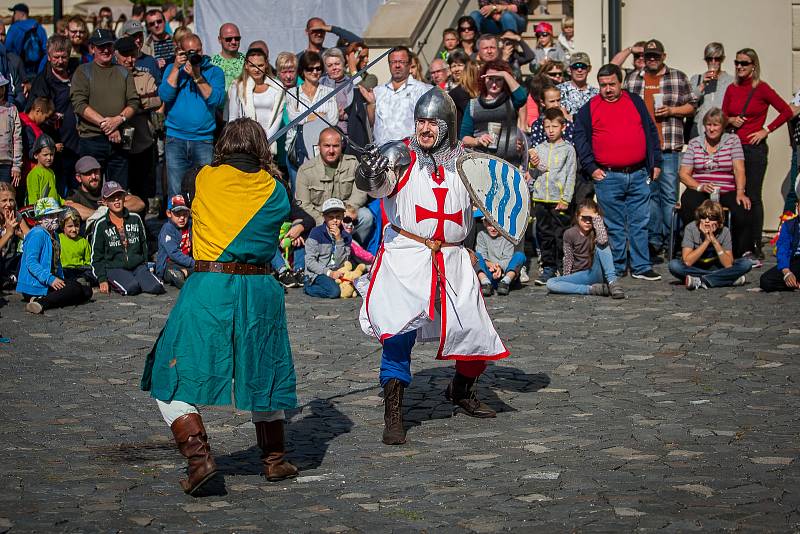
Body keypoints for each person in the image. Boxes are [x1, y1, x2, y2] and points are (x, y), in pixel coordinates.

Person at [141, 118, 299, 494]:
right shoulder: (277, 190)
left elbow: (192, 182)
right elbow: (275, 203)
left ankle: (200, 461)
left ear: (223, 145)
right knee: (265, 372)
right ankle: (274, 460)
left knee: (170, 373)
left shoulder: (201, 178)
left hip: (210, 286)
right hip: (260, 289)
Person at [355, 87, 509, 445]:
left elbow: (498, 197)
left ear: (447, 126)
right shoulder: (400, 155)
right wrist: (370, 170)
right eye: (420, 121)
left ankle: (460, 390)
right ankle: (394, 413)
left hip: (453, 258)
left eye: (432, 123)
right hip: (407, 256)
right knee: (398, 332)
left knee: (475, 334)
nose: (424, 129)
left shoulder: (467, 163)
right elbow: (375, 187)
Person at [573, 63, 662, 280]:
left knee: (640, 222)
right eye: (603, 85)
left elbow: (650, 131)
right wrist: (591, 168)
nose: (608, 89)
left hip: (639, 173)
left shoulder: (635, 101)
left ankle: (641, 267)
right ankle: (619, 267)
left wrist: (655, 162)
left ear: (620, 82)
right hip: (608, 176)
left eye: (612, 84)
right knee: (613, 226)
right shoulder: (590, 107)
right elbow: (579, 137)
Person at [624, 39, 696, 261]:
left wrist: (672, 110)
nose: (652, 59)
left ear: (664, 56)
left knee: (669, 196)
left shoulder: (677, 76)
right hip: (643, 149)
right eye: (648, 56)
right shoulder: (633, 78)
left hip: (668, 146)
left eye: (655, 56)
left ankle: (672, 240)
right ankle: (655, 241)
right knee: (649, 196)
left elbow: (692, 106)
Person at [722, 48, 792, 260]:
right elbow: (723, 114)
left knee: (753, 195)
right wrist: (731, 120)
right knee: (734, 194)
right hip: (734, 147)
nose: (740, 67)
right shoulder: (731, 89)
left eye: (744, 63)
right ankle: (737, 241)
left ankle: (754, 242)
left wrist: (766, 130)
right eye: (737, 63)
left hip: (754, 149)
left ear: (754, 66)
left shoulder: (761, 88)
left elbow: (787, 111)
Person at [70, 28, 140, 189]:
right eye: (101, 46)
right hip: (92, 139)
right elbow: (79, 104)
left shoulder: (123, 72)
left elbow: (133, 102)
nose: (106, 50)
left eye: (109, 45)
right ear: (92, 48)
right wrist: (107, 126)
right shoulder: (83, 71)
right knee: (91, 186)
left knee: (118, 188)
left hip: (120, 138)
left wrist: (118, 120)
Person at [678, 107, 751, 258]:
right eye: (708, 125)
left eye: (715, 125)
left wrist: (740, 191)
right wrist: (700, 186)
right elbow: (684, 174)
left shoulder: (732, 141)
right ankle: (697, 246)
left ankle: (736, 251)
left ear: (723, 126)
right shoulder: (694, 143)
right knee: (689, 202)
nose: (711, 129)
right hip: (701, 188)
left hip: (726, 189)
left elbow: (739, 169)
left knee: (741, 208)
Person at [159, 33, 225, 198]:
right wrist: (175, 68)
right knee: (176, 191)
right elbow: (165, 96)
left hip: (203, 140)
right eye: (189, 52)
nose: (194, 55)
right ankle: (177, 223)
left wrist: (197, 76)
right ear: (180, 52)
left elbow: (216, 100)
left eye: (197, 51)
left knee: (203, 190)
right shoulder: (172, 69)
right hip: (175, 138)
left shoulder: (214, 71)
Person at [295, 128, 373, 243]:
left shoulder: (352, 163)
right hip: (319, 218)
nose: (331, 150)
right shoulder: (305, 170)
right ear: (319, 146)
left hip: (345, 215)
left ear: (341, 146)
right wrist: (325, 220)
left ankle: (355, 249)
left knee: (366, 216)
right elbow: (303, 204)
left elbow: (360, 191)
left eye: (335, 146)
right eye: (327, 146)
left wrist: (349, 210)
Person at [16, 197, 92, 314]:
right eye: (50, 216)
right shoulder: (37, 233)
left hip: (49, 281)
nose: (55, 219)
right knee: (75, 289)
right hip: (36, 284)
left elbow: (57, 262)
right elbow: (31, 262)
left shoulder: (54, 235)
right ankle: (41, 302)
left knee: (86, 291)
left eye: (56, 215)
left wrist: (61, 279)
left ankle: (45, 299)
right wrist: (51, 279)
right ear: (40, 219)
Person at [90, 180, 164, 296]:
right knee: (132, 288)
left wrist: (144, 264)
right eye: (111, 198)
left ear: (124, 198)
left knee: (156, 287)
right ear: (104, 202)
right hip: (114, 268)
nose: (116, 200)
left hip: (137, 266)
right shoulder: (101, 224)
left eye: (119, 196)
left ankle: (140, 276)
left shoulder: (135, 218)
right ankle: (119, 280)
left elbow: (143, 245)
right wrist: (102, 278)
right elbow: (96, 255)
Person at [528, 108, 576, 284]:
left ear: (562, 127)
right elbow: (533, 173)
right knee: (544, 234)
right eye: (547, 126)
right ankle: (548, 267)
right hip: (540, 199)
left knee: (560, 235)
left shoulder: (568, 149)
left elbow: (571, 175)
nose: (550, 130)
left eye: (554, 126)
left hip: (558, 200)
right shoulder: (539, 148)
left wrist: (566, 199)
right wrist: (533, 166)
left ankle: (564, 266)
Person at [28, 34, 80, 190]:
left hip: (78, 142)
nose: (60, 61)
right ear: (49, 57)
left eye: (64, 57)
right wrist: (50, 116)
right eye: (56, 57)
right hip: (55, 145)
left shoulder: (78, 72)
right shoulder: (41, 81)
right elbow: (34, 113)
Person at [546, 198, 624, 298]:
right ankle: (591, 289)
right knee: (551, 283)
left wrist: (596, 219)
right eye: (584, 217)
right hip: (581, 275)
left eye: (590, 218)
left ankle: (613, 282)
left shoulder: (598, 230)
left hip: (597, 271)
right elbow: (568, 258)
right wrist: (566, 279)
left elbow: (603, 240)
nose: (587, 221)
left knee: (602, 245)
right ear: (577, 216)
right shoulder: (569, 233)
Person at [669, 199, 752, 290]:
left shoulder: (725, 231)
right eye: (703, 217)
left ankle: (702, 281)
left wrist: (714, 241)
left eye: (712, 218)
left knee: (746, 264)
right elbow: (688, 261)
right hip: (695, 269)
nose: (707, 221)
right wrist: (706, 241)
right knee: (674, 265)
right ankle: (725, 279)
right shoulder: (691, 228)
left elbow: (728, 264)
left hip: (718, 268)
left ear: (719, 220)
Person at [459, 60, 527, 167]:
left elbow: (522, 97)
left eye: (499, 79)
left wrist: (505, 74)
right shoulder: (473, 105)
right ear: (483, 79)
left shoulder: (511, 101)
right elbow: (464, 137)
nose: (494, 84)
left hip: (510, 165)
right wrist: (478, 141)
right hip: (483, 165)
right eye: (490, 78)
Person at [284, 51, 336, 183]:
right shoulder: (292, 93)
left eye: (318, 68)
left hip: (323, 151)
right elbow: (293, 119)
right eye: (310, 68)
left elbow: (333, 120)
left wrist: (304, 117)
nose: (314, 72)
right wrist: (319, 115)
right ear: (302, 70)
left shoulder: (329, 92)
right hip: (297, 151)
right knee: (299, 194)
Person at [366, 46, 431, 147]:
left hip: (410, 153)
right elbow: (370, 125)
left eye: (402, 62)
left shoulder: (422, 90)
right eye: (393, 62)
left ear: (409, 65)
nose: (397, 65)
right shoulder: (378, 91)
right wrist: (371, 104)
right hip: (381, 154)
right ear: (389, 64)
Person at [320, 47, 372, 153]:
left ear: (343, 63)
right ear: (325, 68)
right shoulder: (320, 84)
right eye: (330, 65)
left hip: (350, 138)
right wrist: (332, 114)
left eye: (337, 64)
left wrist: (346, 115)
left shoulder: (352, 83)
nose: (334, 68)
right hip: (328, 139)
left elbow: (362, 105)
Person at [226, 47, 284, 141]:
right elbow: (233, 117)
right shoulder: (237, 86)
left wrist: (266, 140)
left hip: (269, 140)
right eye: (253, 66)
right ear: (246, 66)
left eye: (260, 65)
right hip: (244, 140)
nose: (257, 70)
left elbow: (278, 117)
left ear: (266, 65)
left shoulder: (277, 88)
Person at [64, 155, 144, 223]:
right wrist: (99, 214)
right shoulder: (75, 194)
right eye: (88, 173)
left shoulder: (108, 189)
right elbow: (69, 208)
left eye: (96, 172)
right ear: (79, 178)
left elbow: (139, 203)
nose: (94, 177)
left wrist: (109, 209)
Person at [303, 197, 352, 298]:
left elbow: (343, 262)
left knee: (354, 285)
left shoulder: (346, 236)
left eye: (338, 217)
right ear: (324, 217)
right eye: (331, 217)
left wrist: (339, 240)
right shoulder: (316, 233)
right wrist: (329, 273)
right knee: (334, 292)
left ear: (343, 216)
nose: (335, 221)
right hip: (319, 273)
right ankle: (308, 287)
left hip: (337, 271)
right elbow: (310, 261)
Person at [760, 182, 800, 292]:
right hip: (795, 262)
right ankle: (796, 284)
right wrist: (786, 272)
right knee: (766, 280)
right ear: (797, 207)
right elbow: (783, 249)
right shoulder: (789, 225)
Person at [689, 42, 734, 138]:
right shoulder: (697, 78)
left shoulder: (731, 81)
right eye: (709, 59)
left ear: (723, 59)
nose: (713, 62)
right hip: (699, 129)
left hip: (722, 130)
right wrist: (703, 84)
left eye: (717, 59)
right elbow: (690, 101)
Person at [475, 216, 525, 296]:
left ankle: (505, 282)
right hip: (489, 273)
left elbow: (507, 258)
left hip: (505, 273)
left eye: (496, 225)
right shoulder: (482, 235)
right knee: (475, 256)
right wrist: (493, 266)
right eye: (490, 224)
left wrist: (499, 268)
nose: (493, 228)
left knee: (520, 255)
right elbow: (482, 256)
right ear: (484, 223)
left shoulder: (507, 236)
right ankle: (485, 283)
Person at [156, 193, 193, 288]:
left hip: (185, 262)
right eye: (177, 214)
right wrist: (192, 262)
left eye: (184, 214)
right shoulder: (168, 228)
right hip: (169, 263)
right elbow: (174, 254)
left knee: (203, 268)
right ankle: (179, 275)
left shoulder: (189, 225)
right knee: (171, 271)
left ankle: (184, 273)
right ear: (169, 213)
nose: (182, 218)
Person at [296, 17, 361, 65]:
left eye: (322, 30)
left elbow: (359, 42)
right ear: (307, 32)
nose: (319, 34)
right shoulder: (299, 58)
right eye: (315, 31)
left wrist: (331, 28)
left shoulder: (333, 54)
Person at [5, 3, 47, 77]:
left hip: (20, 74)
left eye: (14, 13)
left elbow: (7, 50)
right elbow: (46, 51)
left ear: (22, 14)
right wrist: (41, 71)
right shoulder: (39, 28)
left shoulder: (14, 29)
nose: (13, 16)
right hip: (37, 72)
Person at [118, 20, 161, 84]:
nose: (138, 40)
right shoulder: (115, 60)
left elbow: (158, 88)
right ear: (124, 36)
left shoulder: (150, 61)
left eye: (140, 35)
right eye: (134, 36)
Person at [58, 206, 94, 284]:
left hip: (80, 269)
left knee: (91, 273)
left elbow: (88, 262)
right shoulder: (58, 239)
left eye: (77, 226)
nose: (74, 229)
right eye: (70, 226)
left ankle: (79, 281)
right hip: (65, 269)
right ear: (62, 226)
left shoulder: (83, 241)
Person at [557, 52, 598, 117]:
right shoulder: (558, 90)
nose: (579, 70)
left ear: (589, 69)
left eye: (583, 67)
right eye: (575, 67)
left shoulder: (596, 93)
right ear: (570, 69)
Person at [25, 133, 60, 205]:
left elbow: (54, 194)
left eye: (52, 154)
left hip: (54, 209)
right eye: (45, 155)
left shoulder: (51, 172)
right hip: (42, 212)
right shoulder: (34, 174)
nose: (49, 158)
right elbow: (33, 199)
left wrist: (63, 202)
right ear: (36, 155)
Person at [447, 51, 479, 130]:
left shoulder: (474, 86)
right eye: (453, 66)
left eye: (460, 65)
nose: (456, 69)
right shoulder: (453, 92)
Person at [0, 73, 21, 185]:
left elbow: (17, 138)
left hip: (6, 164)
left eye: (2, 87)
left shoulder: (11, 109)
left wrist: (16, 165)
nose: (1, 90)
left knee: (6, 195)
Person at [210, 23, 244, 91]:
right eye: (229, 39)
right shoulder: (211, 63)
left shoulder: (248, 61)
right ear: (219, 39)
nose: (233, 42)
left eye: (237, 38)